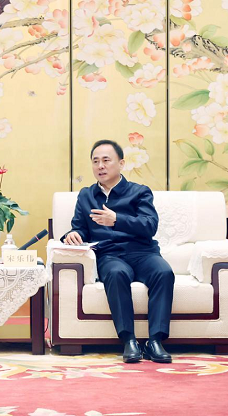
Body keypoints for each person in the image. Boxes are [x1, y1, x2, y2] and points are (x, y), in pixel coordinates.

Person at [62, 140, 174, 363]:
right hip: (109, 254)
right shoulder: (86, 195)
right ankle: (129, 340)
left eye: (106, 160)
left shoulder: (139, 192)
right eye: (95, 161)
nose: (100, 166)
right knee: (116, 273)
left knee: (164, 272)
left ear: (121, 163)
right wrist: (72, 234)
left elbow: (150, 225)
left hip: (143, 252)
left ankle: (155, 341)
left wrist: (117, 220)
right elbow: (80, 227)